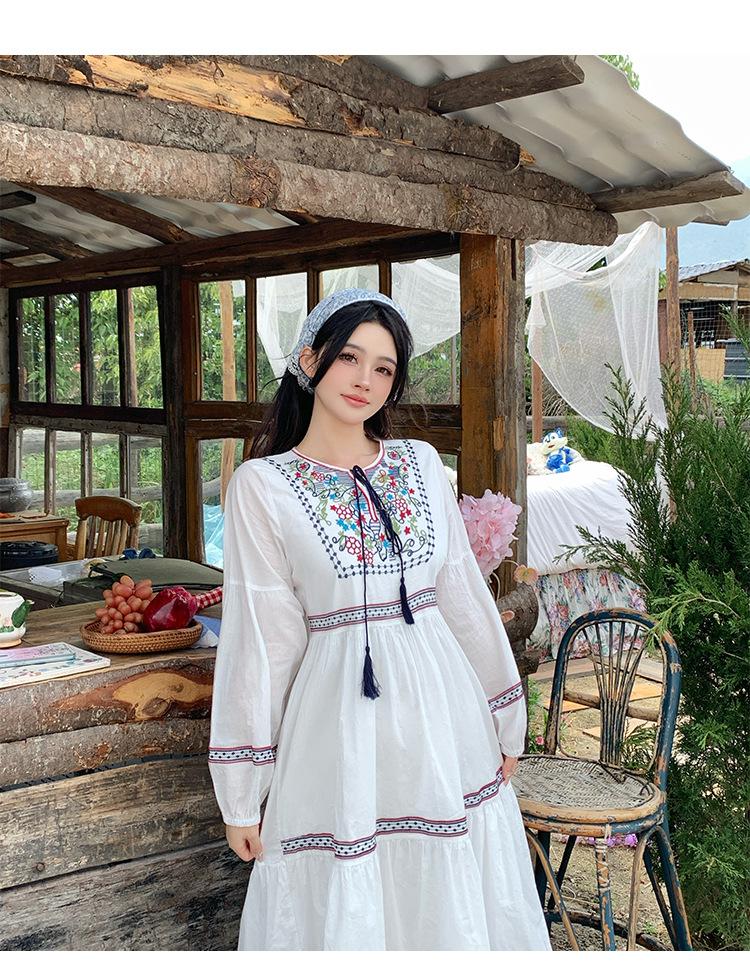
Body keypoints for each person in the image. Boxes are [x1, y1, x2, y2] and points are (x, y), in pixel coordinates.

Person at [208, 288, 552, 950]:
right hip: (335, 729)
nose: (365, 379)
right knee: (350, 888)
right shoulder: (262, 486)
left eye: (384, 367)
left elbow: (462, 599)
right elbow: (263, 641)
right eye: (349, 358)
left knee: (444, 893)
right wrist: (243, 792)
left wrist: (505, 715)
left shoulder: (421, 465)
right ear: (310, 359)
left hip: (442, 724)